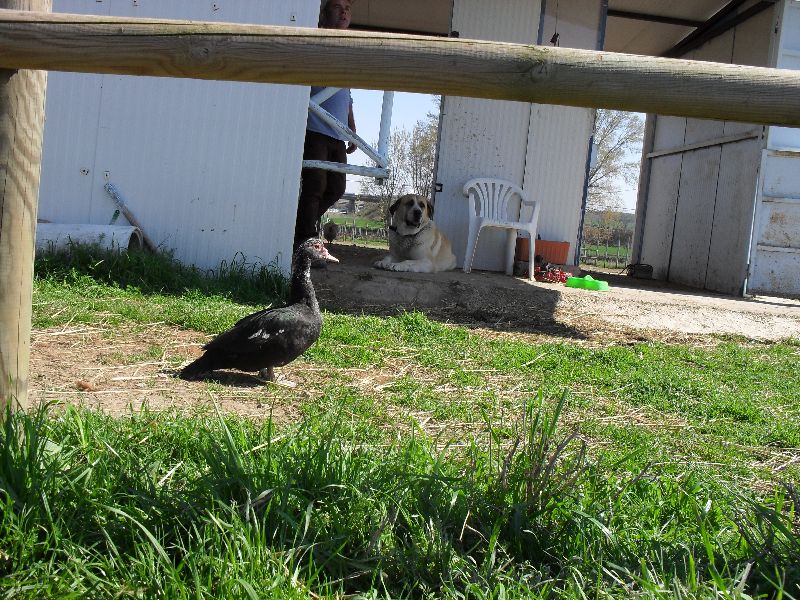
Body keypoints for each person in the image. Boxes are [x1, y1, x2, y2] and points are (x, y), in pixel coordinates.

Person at [294, 0, 357, 251]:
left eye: (348, 8)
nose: (344, 12)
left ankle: (298, 228)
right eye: (338, 6)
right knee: (314, 187)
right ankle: (305, 241)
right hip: (315, 129)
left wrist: (352, 129)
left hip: (337, 134)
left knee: (337, 188)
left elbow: (347, 95)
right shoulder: (317, 39)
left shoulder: (349, 50)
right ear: (324, 12)